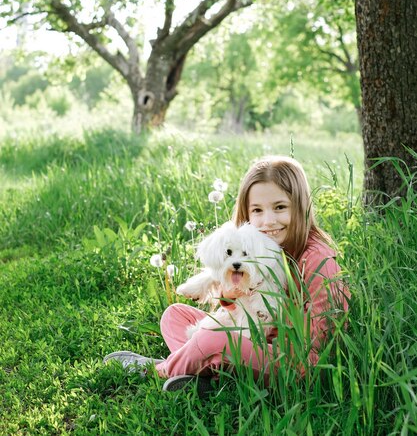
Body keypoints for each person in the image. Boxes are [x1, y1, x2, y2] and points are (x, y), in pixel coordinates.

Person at [103, 155, 350, 394]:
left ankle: (158, 369)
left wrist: (263, 333)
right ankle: (205, 373)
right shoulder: (255, 247)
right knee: (175, 316)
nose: (268, 221)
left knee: (212, 339)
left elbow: (321, 339)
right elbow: (236, 305)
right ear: (246, 213)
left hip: (294, 363)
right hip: (251, 343)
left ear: (301, 206)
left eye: (280, 207)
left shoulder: (319, 259)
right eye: (257, 211)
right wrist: (229, 297)